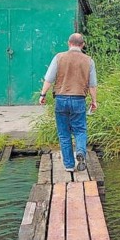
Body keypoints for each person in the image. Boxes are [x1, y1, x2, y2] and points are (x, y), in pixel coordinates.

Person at [39, 33, 97, 172]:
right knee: (80, 130)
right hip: (78, 99)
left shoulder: (59, 57)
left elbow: (49, 79)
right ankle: (81, 152)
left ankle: (69, 166)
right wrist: (94, 101)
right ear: (82, 45)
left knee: (64, 133)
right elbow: (92, 85)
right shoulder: (89, 60)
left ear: (69, 43)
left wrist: (43, 94)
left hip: (61, 99)